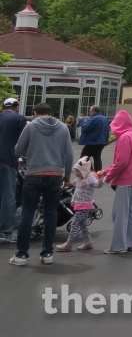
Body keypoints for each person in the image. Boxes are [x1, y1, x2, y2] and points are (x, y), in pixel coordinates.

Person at [10, 103, 74, 266]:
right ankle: (47, 253)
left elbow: (18, 150)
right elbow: (69, 154)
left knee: (28, 213)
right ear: (50, 113)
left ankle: (22, 255)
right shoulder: (63, 128)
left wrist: (30, 152)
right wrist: (66, 175)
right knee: (51, 213)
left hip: (33, 175)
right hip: (54, 175)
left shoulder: (31, 126)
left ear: (35, 113)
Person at [103, 110, 132, 254]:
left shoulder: (124, 138)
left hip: (126, 180)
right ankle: (131, 242)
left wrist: (107, 177)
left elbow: (120, 162)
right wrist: (104, 172)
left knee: (119, 214)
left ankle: (118, 245)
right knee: (131, 212)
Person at [56, 156, 105, 252]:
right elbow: (76, 188)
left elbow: (97, 184)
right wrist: (72, 196)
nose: (77, 173)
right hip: (79, 204)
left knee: (74, 225)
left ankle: (69, 244)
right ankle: (88, 242)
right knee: (83, 225)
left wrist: (102, 178)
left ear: (84, 170)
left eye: (78, 171)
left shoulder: (90, 178)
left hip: (85, 205)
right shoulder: (79, 178)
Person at [0, 98, 27, 244]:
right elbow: (24, 140)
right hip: (7, 160)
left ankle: (6, 222)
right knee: (8, 196)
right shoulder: (19, 119)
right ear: (16, 107)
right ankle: (6, 231)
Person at [77, 106, 110, 171]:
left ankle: (90, 171)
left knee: (84, 156)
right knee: (97, 157)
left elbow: (86, 127)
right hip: (101, 142)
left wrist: (81, 120)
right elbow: (107, 129)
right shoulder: (105, 118)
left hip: (93, 141)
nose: (89, 113)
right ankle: (98, 172)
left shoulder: (94, 118)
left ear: (94, 111)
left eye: (90, 111)